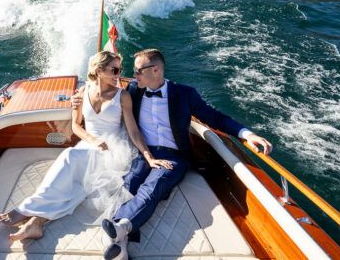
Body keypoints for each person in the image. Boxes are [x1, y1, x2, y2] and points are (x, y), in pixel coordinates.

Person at [74, 48, 272, 260]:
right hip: (145, 151)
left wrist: (246, 134)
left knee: (153, 186)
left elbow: (215, 117)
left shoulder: (185, 94)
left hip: (173, 156)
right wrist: (77, 100)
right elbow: (103, 93)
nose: (134, 75)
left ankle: (121, 225)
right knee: (130, 183)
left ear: (156, 70)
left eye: (139, 71)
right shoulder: (133, 89)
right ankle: (120, 241)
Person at [0, 51, 172, 241]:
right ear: (99, 70)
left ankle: (26, 210)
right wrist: (92, 140)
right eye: (115, 69)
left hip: (113, 150)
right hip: (89, 144)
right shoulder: (81, 93)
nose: (119, 74)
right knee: (76, 181)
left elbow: (133, 131)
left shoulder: (122, 96)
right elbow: (75, 126)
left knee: (70, 162)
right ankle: (35, 223)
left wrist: (149, 157)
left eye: (120, 69)